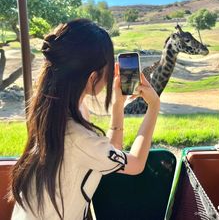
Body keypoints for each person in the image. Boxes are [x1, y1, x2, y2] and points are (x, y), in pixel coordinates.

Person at [9, 18, 160, 220]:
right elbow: (135, 164)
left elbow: (109, 153)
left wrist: (117, 106)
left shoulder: (50, 113)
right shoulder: (79, 136)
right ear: (92, 77)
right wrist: (154, 106)